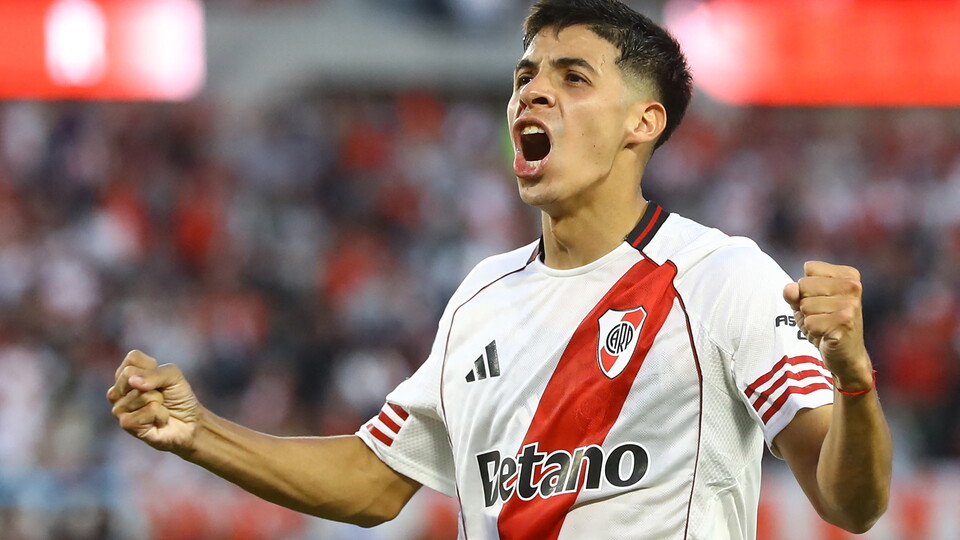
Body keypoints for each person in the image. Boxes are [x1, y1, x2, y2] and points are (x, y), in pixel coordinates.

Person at [107, 0, 892, 538]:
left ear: (642, 122)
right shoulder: (480, 297)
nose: (533, 93)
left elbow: (849, 504)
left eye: (572, 77)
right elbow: (374, 481)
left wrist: (853, 377)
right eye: (526, 75)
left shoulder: (723, 278)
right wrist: (198, 433)